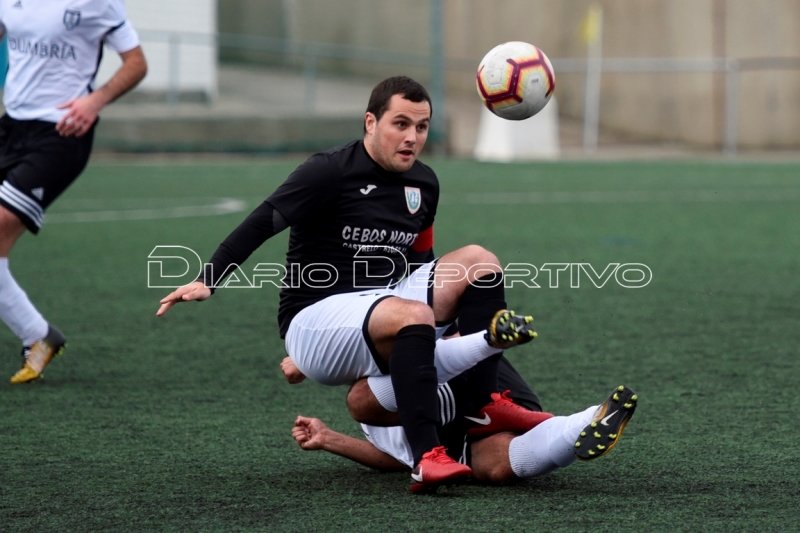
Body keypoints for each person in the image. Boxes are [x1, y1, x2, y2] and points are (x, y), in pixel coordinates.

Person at [157, 75, 538, 492]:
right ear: (370, 122)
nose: (412, 137)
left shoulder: (424, 183)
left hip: (385, 303)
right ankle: (427, 458)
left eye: (422, 127)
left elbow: (422, 262)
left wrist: (453, 317)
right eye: (401, 124)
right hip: (314, 318)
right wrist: (208, 279)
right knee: (414, 313)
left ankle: (483, 404)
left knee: (479, 263)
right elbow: (262, 222)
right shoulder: (328, 171)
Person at [1, 0, 147, 384]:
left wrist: (94, 102)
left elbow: (136, 62)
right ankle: (38, 336)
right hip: (11, 127)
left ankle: (36, 335)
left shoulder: (96, 2)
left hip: (62, 133)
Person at [292, 380, 639, 487]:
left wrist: (303, 361)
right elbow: (394, 459)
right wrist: (329, 440)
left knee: (362, 400)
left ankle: (487, 408)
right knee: (498, 466)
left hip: (468, 384)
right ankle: (587, 421)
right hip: (448, 438)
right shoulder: (374, 423)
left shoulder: (374, 374)